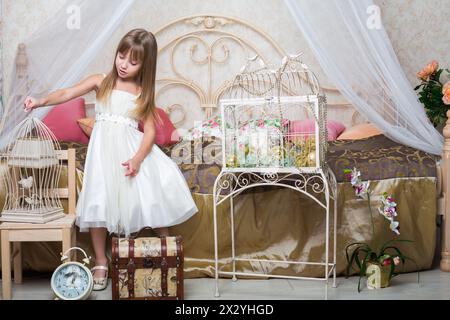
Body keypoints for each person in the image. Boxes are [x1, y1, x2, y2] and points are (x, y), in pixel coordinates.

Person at [23, 29, 198, 291]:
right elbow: (66, 93)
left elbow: (149, 131)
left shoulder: (142, 93)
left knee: (151, 191)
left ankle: (167, 251)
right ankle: (101, 261)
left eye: (133, 61)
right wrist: (40, 100)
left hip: (129, 152)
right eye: (121, 56)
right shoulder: (101, 80)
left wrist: (138, 158)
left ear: (144, 65)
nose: (124, 64)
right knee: (99, 201)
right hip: (102, 155)